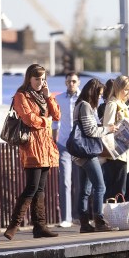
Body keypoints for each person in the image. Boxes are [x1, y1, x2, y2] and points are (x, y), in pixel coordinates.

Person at [9, 63, 60, 239]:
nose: (40, 82)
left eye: (43, 79)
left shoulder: (43, 95)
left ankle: (39, 226)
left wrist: (49, 97)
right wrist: (46, 121)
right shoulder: (21, 95)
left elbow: (57, 115)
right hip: (31, 146)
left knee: (40, 189)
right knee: (31, 186)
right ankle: (14, 224)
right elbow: (29, 119)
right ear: (29, 78)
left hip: (45, 146)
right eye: (37, 79)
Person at [69, 78, 115, 234]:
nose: (101, 97)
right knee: (100, 186)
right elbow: (91, 131)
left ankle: (84, 223)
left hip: (81, 153)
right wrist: (108, 128)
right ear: (93, 92)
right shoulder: (86, 106)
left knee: (85, 189)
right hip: (88, 152)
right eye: (100, 94)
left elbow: (90, 126)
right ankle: (99, 220)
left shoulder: (79, 105)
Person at [102, 76, 129, 203]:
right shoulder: (112, 104)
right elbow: (107, 128)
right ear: (118, 89)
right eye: (125, 89)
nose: (127, 93)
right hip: (119, 152)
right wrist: (119, 124)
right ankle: (113, 218)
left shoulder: (123, 105)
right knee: (118, 189)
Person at [54, 72, 81, 229]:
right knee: (65, 181)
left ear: (78, 82)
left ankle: (78, 216)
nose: (71, 84)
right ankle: (66, 218)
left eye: (74, 81)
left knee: (79, 182)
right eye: (69, 81)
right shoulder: (59, 99)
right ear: (65, 83)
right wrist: (54, 138)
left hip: (79, 145)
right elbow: (55, 121)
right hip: (64, 144)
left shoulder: (83, 99)